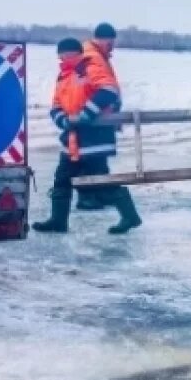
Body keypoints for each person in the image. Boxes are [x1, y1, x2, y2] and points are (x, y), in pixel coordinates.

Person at [32, 36, 142, 235]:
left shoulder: (90, 68)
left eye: (69, 54)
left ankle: (130, 216)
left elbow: (109, 90)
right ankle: (58, 221)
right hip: (72, 140)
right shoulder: (63, 76)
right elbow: (56, 105)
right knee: (62, 180)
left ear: (78, 54)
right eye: (62, 55)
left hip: (94, 140)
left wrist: (86, 113)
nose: (65, 58)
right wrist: (62, 120)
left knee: (99, 183)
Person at [75, 23, 123, 213]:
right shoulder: (94, 58)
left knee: (97, 158)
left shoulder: (96, 55)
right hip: (93, 119)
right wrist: (89, 112)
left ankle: (100, 194)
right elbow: (105, 89)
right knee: (90, 158)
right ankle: (87, 198)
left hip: (96, 118)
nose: (112, 46)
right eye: (110, 42)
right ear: (102, 39)